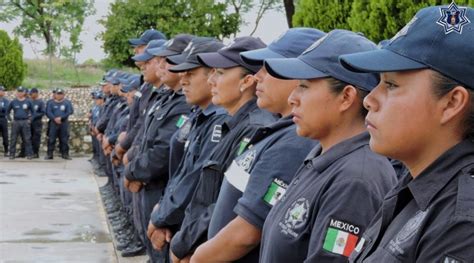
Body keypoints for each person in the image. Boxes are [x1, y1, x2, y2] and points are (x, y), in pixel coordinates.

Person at [339, 4, 474, 262]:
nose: (369, 100)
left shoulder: (462, 224)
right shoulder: (416, 183)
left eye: (390, 84)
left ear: (452, 103)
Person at [258, 29, 397, 262]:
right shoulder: (324, 157)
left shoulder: (356, 180)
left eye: (304, 85)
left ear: (346, 97)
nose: (293, 97)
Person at [190, 29, 325, 263]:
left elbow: (246, 232)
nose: (259, 76)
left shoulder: (295, 140)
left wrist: (198, 257)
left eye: (270, 67)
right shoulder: (280, 130)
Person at [169, 37, 277, 262]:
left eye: (219, 72)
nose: (211, 81)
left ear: (246, 81)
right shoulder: (234, 123)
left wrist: (186, 245)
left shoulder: (256, 128)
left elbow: (225, 205)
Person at [146, 36, 226, 258]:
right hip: (176, 221)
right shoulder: (200, 113)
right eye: (181, 73)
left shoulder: (220, 122)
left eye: (190, 73)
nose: (183, 80)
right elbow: (181, 171)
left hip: (189, 231)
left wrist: (162, 216)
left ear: (213, 75)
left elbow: (197, 182)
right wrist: (162, 210)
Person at [45, 88, 74, 160]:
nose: (59, 95)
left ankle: (65, 154)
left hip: (63, 123)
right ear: (55, 94)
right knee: (51, 139)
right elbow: (48, 112)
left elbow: (69, 111)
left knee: (64, 139)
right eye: (58, 94)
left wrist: (61, 118)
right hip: (53, 123)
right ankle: (49, 154)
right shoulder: (51, 103)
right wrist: (54, 118)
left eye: (61, 94)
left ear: (63, 95)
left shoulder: (67, 103)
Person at [7, 86, 34, 160]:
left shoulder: (28, 101)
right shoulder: (13, 101)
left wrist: (30, 119)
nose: (20, 93)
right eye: (18, 91)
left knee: (27, 139)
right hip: (16, 122)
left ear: (24, 92)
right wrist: (10, 120)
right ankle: (12, 154)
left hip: (25, 121)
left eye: (21, 92)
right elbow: (7, 112)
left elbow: (33, 112)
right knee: (13, 139)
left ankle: (29, 154)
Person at [29, 88, 45, 158]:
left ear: (36, 93)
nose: (31, 94)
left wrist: (34, 116)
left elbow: (42, 112)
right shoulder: (28, 101)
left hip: (37, 122)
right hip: (29, 122)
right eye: (31, 93)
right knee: (28, 137)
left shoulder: (40, 102)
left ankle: (35, 153)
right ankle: (28, 152)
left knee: (36, 138)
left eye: (32, 93)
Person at [0, 85, 9, 156]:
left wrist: (2, 108)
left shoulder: (6, 101)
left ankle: (6, 150)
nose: (3, 92)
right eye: (2, 90)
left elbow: (6, 110)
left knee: (5, 135)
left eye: (3, 91)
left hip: (3, 119)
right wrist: (1, 108)